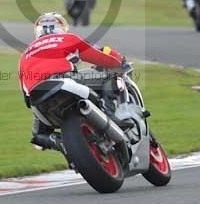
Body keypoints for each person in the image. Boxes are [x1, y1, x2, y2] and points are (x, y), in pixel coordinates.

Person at [18, 12, 124, 150]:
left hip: (37, 98)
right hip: (64, 81)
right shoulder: (67, 38)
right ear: (60, 27)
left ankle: (62, 145)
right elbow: (101, 59)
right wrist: (118, 60)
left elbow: (25, 96)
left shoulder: (25, 54)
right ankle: (111, 117)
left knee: (38, 138)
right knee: (111, 78)